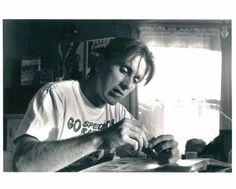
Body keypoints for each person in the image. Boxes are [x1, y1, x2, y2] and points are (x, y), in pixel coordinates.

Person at [12, 37, 179, 172]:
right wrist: (100, 139)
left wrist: (166, 151)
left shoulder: (118, 112)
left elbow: (151, 146)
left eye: (136, 80)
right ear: (100, 63)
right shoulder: (56, 95)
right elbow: (23, 165)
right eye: (124, 70)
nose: (128, 85)